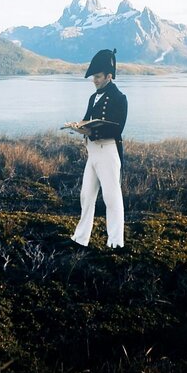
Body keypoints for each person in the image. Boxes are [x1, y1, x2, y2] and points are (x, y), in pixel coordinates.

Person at [66, 49, 128, 248]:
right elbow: (87, 119)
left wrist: (91, 132)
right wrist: (78, 126)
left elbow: (117, 128)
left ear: (109, 76)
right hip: (92, 151)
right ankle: (80, 238)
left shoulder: (120, 98)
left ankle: (116, 243)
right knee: (86, 195)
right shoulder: (93, 98)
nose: (94, 80)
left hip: (108, 151)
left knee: (111, 197)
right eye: (94, 76)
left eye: (98, 76)